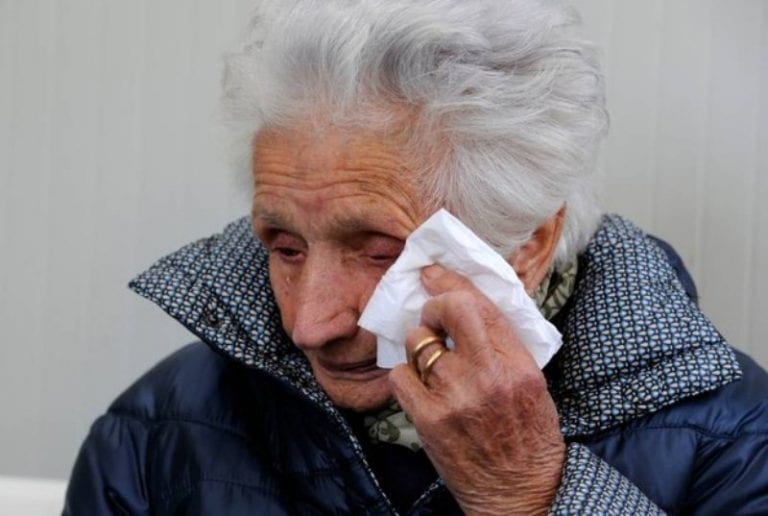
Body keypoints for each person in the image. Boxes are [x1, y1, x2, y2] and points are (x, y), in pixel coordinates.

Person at [64, 0, 768, 514]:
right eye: (285, 247)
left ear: (528, 244)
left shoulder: (735, 442)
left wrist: (529, 493)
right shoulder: (154, 433)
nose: (311, 323)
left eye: (378, 252)